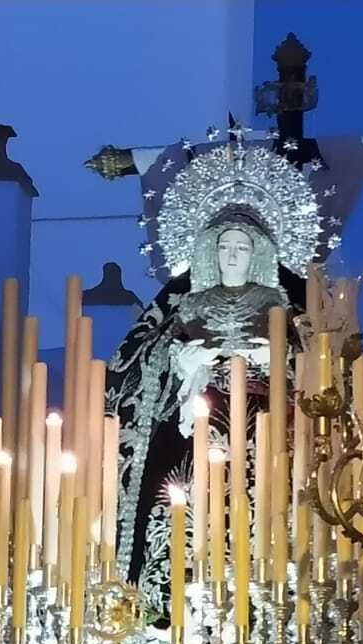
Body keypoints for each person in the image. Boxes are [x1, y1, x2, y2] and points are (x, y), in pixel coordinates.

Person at [105, 206, 301, 603]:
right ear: (210, 252)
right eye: (224, 246)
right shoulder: (190, 303)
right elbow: (147, 359)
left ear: (257, 253)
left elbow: (310, 357)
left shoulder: (276, 302)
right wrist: (186, 361)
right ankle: (175, 597)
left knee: (272, 497)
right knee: (185, 494)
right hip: (202, 414)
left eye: (241, 248)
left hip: (263, 419)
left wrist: (274, 357)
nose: (231, 255)